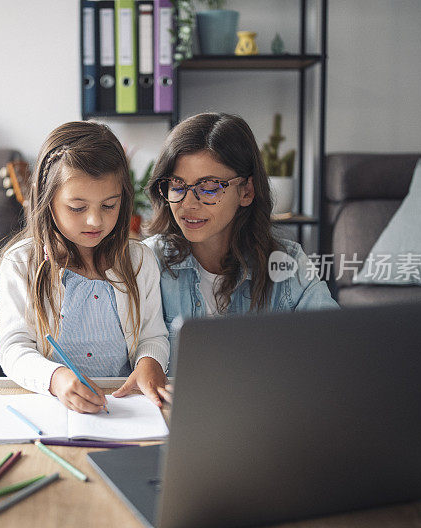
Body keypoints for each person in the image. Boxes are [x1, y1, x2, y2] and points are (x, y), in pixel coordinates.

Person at [0, 121, 170, 413]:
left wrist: (149, 362)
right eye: (77, 208)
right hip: (53, 404)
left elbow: (153, 336)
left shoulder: (139, 260)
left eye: (109, 205)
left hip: (125, 405)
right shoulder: (21, 263)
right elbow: (14, 348)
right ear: (47, 200)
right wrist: (55, 378)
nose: (95, 221)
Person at [143, 113, 338, 374]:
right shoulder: (147, 261)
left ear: (246, 191)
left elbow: (337, 343)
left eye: (209, 187)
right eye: (177, 186)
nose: (188, 204)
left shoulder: (286, 261)